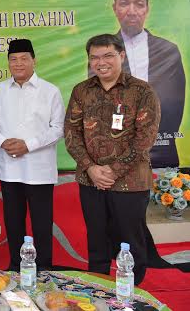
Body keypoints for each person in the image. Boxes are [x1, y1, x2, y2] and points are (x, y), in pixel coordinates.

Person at [66, 34, 160, 285]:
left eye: (108, 55)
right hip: (91, 181)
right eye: (95, 57)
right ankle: (99, 288)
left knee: (131, 241)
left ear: (122, 56)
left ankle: (131, 290)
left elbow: (145, 139)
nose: (101, 62)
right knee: (96, 240)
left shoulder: (142, 91)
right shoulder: (81, 91)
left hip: (131, 182)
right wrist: (91, 169)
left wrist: (112, 171)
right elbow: (72, 134)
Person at [0, 39, 64, 271]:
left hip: (39, 169)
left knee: (41, 222)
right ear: (8, 62)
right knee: (13, 221)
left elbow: (58, 128)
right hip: (9, 168)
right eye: (13, 59)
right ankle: (16, 266)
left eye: (24, 59)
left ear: (34, 61)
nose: (18, 63)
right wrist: (2, 141)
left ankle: (44, 268)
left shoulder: (50, 91)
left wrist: (28, 145)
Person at [111, 0, 185, 168]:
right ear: (114, 8)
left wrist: (153, 139)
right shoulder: (104, 51)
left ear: (147, 9)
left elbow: (174, 104)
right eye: (124, 3)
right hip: (117, 151)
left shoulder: (168, 50)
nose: (132, 11)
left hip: (161, 150)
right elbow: (101, 102)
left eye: (139, 4)